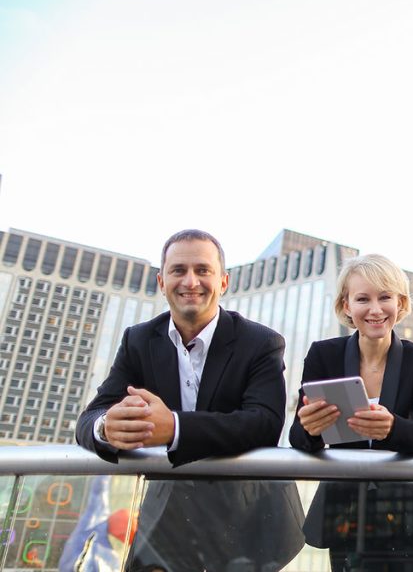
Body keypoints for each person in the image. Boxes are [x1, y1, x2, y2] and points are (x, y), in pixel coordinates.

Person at [75, 229, 304, 571]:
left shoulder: (261, 342)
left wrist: (175, 428)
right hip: (167, 520)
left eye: (203, 270)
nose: (190, 281)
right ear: (161, 281)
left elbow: (264, 424)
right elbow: (90, 418)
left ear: (223, 282)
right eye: (178, 270)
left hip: (251, 518)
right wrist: (106, 429)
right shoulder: (138, 340)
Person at [289, 254, 413, 571]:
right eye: (363, 299)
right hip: (347, 515)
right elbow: (299, 438)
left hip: (411, 515)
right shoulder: (324, 355)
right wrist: (310, 428)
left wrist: (392, 429)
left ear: (400, 303)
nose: (375, 309)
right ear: (346, 306)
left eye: (385, 297)